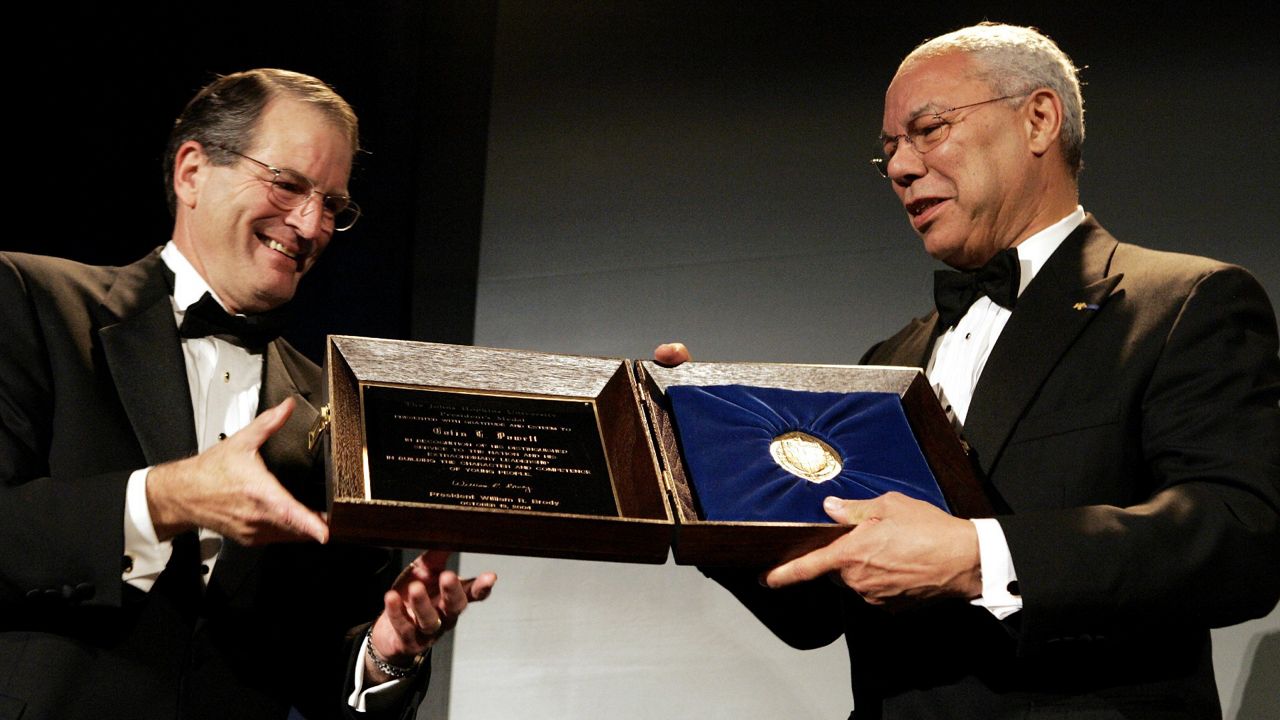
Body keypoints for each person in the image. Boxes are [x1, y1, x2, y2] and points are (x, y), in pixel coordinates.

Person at [657, 22, 1279, 719]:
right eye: (889, 150)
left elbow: (1241, 538)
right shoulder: (888, 363)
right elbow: (817, 617)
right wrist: (702, 484)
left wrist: (978, 555)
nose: (899, 168)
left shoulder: (1185, 303)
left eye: (928, 129)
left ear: (1038, 118)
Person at [1, 68, 496, 720]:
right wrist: (166, 498)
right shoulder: (31, 302)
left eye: (334, 206)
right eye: (288, 184)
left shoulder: (332, 405)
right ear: (191, 172)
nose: (311, 223)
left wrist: (388, 648)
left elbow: (325, 667)